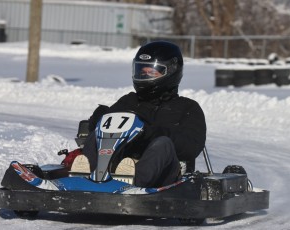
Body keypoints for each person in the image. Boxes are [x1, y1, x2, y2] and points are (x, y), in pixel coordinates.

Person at [65, 41, 206, 188]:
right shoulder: (129, 101)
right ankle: (86, 177)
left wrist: (152, 133)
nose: (144, 75)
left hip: (165, 174)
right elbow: (106, 128)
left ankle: (132, 183)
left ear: (171, 71)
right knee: (96, 135)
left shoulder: (187, 107)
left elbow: (192, 146)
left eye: (151, 71)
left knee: (163, 144)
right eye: (141, 71)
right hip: (120, 165)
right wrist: (99, 118)